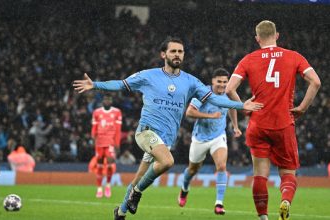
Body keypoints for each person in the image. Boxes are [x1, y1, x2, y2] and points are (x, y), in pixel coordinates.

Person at [73, 36, 263, 219]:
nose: (177, 54)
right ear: (163, 54)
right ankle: (137, 194)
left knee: (138, 178)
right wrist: (95, 85)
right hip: (146, 132)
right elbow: (121, 85)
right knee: (167, 161)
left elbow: (214, 98)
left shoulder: (190, 81)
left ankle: (120, 213)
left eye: (180, 51)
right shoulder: (149, 76)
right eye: (173, 51)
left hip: (165, 139)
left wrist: (241, 105)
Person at [226, 20, 321, 220]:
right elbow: (316, 82)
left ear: (257, 38)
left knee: (260, 173)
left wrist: (244, 105)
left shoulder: (248, 59)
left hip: (258, 123)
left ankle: (263, 217)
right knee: (288, 172)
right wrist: (302, 107)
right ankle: (285, 201)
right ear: (277, 35)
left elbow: (228, 89)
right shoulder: (294, 56)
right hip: (283, 124)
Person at [177, 68, 242, 215]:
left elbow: (232, 107)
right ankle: (184, 189)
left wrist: (236, 126)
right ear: (212, 81)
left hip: (218, 136)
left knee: (221, 166)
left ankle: (219, 203)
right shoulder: (203, 93)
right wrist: (211, 116)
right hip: (200, 138)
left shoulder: (229, 93)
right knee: (193, 169)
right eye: (219, 81)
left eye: (225, 82)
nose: (222, 85)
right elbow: (189, 112)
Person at [91, 94, 122, 198]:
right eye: (105, 99)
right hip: (99, 142)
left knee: (109, 164)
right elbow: (94, 128)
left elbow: (118, 130)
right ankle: (99, 188)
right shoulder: (97, 112)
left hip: (110, 142)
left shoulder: (117, 112)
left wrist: (117, 144)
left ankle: (108, 185)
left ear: (111, 101)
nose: (107, 101)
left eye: (109, 99)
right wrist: (93, 139)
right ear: (103, 101)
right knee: (99, 165)